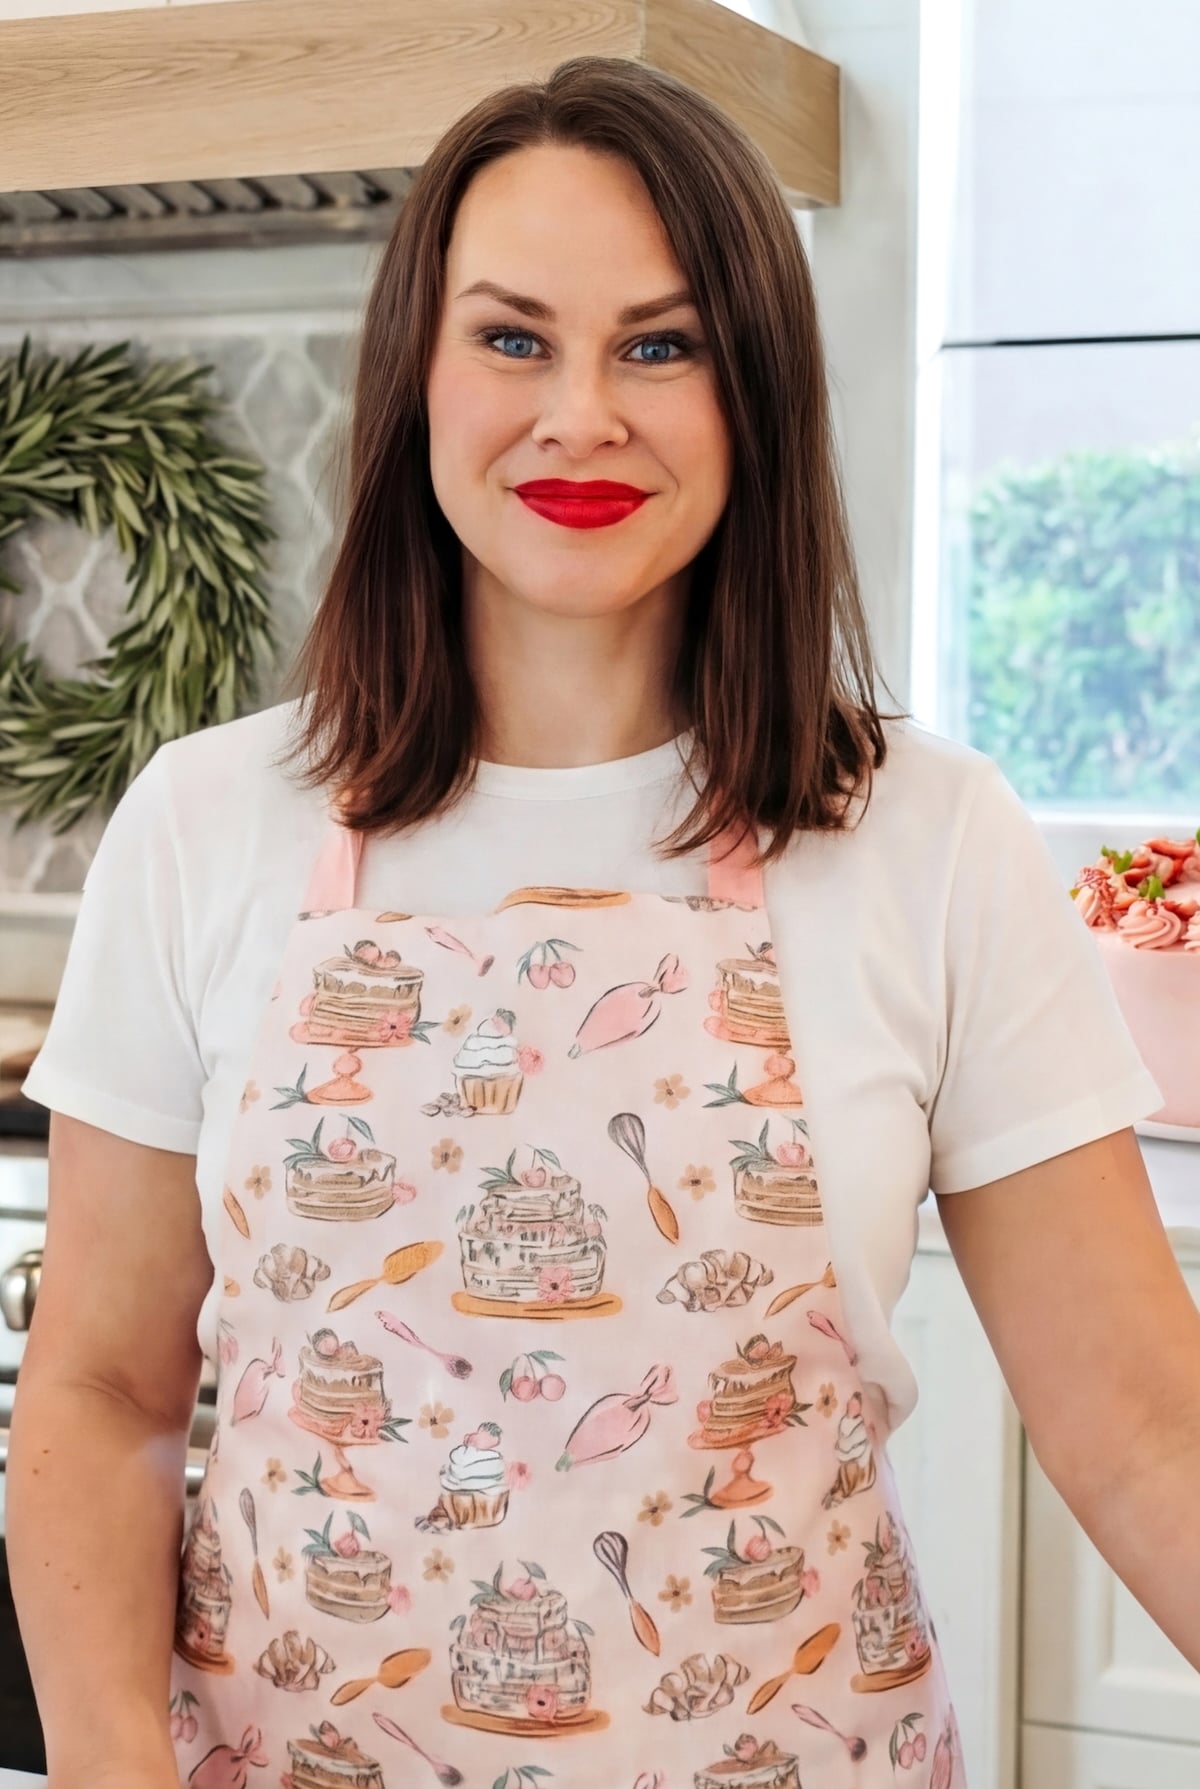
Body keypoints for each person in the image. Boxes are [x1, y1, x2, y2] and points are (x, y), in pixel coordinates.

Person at [9, 53, 1200, 1789]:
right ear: (416, 379)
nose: (582, 413)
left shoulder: (929, 839)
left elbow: (1147, 1431)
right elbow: (103, 1394)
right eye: (512, 338)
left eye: (662, 342)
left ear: (758, 393)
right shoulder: (206, 824)